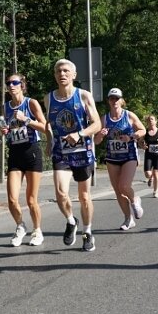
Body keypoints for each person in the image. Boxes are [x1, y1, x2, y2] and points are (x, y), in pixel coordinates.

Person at [44, 59, 102, 251]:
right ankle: (71, 221)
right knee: (60, 193)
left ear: (74, 75)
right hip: (61, 152)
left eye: (66, 71)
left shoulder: (84, 96)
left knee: (84, 196)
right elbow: (49, 123)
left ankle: (88, 232)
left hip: (82, 151)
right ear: (55, 75)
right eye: (58, 71)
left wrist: (80, 134)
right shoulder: (49, 98)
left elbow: (97, 124)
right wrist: (49, 140)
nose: (62, 74)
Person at [0, 74, 47, 247]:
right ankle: (20, 226)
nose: (11, 85)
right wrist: (4, 130)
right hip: (15, 153)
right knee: (12, 199)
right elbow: (7, 127)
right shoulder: (5, 107)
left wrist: (26, 119)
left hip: (31, 152)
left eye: (15, 82)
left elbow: (45, 127)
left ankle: (37, 231)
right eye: (8, 83)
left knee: (31, 199)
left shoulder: (31, 103)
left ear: (22, 85)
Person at [94, 88, 146, 231]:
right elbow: (96, 141)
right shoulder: (104, 119)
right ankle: (128, 218)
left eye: (117, 98)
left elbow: (143, 130)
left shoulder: (129, 115)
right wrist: (101, 135)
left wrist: (131, 137)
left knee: (124, 186)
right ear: (108, 101)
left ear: (121, 101)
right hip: (112, 157)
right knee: (118, 191)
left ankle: (135, 199)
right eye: (112, 98)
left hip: (129, 155)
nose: (114, 101)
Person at [141, 114, 158, 198]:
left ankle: (155, 191)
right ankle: (150, 178)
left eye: (152, 119)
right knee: (147, 173)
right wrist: (142, 146)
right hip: (148, 154)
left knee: (156, 173)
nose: (150, 121)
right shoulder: (145, 132)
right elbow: (140, 142)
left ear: (156, 121)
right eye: (148, 120)